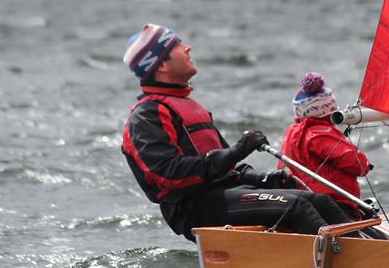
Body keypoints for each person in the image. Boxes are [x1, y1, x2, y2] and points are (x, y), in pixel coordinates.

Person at [120, 24, 365, 242]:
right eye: (176, 45)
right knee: (297, 205)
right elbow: (169, 175)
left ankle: (379, 248)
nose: (187, 48)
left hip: (225, 194)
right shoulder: (146, 116)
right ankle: (354, 267)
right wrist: (238, 150)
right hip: (193, 207)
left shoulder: (190, 106)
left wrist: (264, 179)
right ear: (161, 64)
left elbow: (228, 169)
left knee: (321, 200)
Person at [279, 72, 372, 222]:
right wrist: (365, 163)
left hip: (299, 203)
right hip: (331, 206)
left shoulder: (291, 132)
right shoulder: (321, 134)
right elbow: (358, 165)